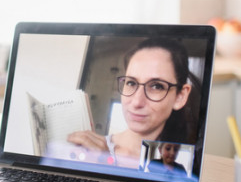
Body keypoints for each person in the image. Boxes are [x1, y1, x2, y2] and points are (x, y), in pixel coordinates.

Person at [67, 37, 198, 168]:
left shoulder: (182, 165)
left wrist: (108, 166)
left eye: (156, 86)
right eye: (131, 83)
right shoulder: (87, 151)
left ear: (180, 96)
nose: (137, 102)